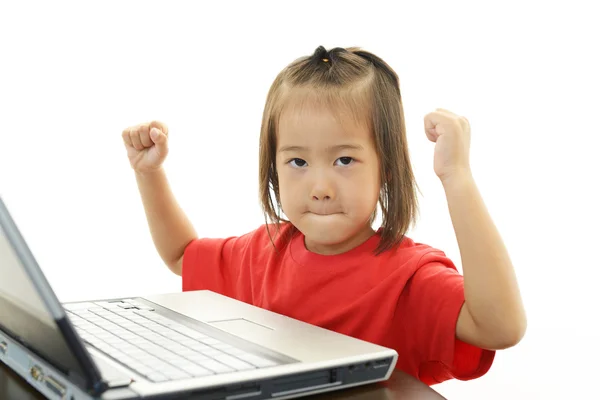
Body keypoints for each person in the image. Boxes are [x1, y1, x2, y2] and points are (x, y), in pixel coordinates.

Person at [121, 46, 526, 385]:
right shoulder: (265, 251)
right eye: (297, 161)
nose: (320, 187)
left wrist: (457, 177)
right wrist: (149, 172)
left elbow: (501, 327)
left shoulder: (409, 278)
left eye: (344, 159)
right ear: (273, 168)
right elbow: (181, 255)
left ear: (386, 167)